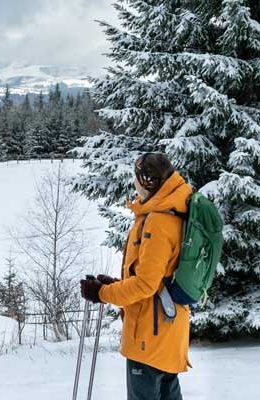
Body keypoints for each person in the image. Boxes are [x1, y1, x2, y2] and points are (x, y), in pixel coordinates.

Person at [80, 152, 190, 400]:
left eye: (137, 179)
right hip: (168, 331)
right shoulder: (175, 212)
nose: (134, 185)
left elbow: (145, 285)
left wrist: (101, 293)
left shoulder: (158, 222)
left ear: (147, 181)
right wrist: (117, 286)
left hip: (149, 336)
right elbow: (158, 277)